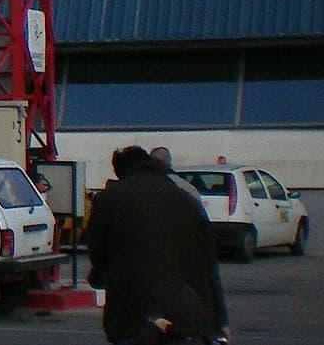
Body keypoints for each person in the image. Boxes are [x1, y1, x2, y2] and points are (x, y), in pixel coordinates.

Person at [86, 146, 227, 345]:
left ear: (121, 172)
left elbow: (98, 257)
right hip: (188, 315)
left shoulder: (108, 199)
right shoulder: (187, 200)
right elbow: (210, 265)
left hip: (132, 316)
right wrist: (220, 321)